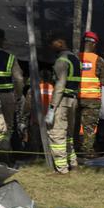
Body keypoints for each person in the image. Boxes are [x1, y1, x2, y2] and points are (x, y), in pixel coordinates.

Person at [45, 36, 81, 174]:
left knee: (57, 134)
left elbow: (60, 85)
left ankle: (62, 170)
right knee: (69, 135)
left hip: (62, 101)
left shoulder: (61, 60)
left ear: (60, 43)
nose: (50, 47)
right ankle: (73, 163)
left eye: (52, 43)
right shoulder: (75, 60)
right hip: (73, 100)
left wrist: (52, 107)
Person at [75, 31, 104, 157]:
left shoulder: (75, 58)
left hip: (76, 98)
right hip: (92, 100)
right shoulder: (98, 60)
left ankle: (74, 148)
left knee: (75, 125)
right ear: (94, 45)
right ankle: (87, 151)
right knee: (89, 127)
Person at [0, 28, 25, 151]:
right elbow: (19, 79)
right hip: (6, 97)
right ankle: (3, 153)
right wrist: (18, 96)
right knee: (8, 127)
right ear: (1, 40)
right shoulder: (10, 58)